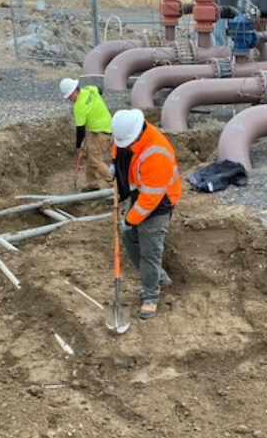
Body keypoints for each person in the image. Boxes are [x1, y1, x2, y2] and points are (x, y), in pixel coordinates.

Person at [111, 108, 181, 320]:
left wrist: (130, 219)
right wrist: (114, 167)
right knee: (129, 235)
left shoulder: (156, 152)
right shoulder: (130, 133)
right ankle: (160, 277)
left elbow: (151, 200)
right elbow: (118, 150)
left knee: (149, 249)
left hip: (160, 202)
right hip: (140, 193)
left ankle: (150, 296)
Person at [60, 78, 112, 191]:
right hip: (103, 125)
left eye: (69, 97)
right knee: (90, 156)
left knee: (95, 160)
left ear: (74, 92)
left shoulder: (79, 106)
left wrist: (79, 146)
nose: (70, 99)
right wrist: (95, 108)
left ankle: (115, 183)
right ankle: (93, 185)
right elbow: (100, 89)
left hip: (102, 131)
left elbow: (80, 130)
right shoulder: (89, 89)